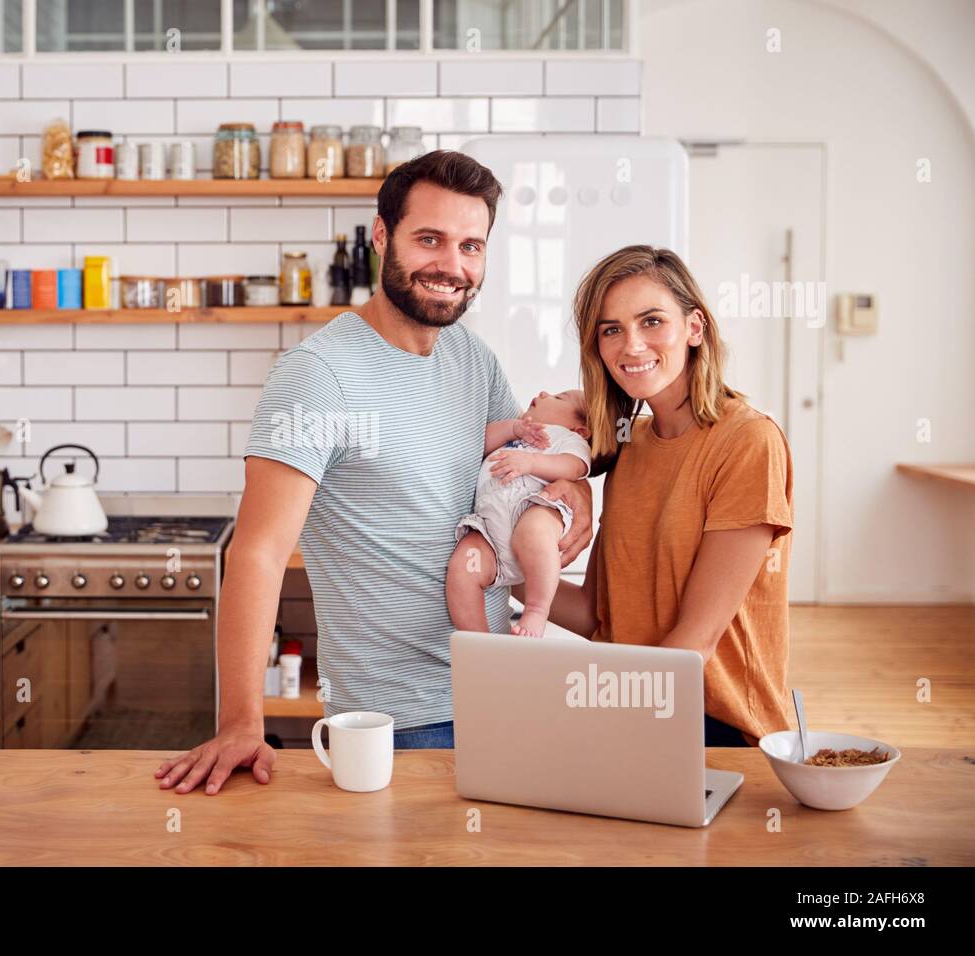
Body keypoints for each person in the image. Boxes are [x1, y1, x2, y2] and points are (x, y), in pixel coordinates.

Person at [155, 151, 594, 794]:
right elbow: (257, 553)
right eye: (430, 240)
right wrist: (241, 721)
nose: (452, 266)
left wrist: (574, 490)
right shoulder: (317, 374)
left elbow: (510, 478)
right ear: (382, 237)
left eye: (471, 245)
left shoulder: (474, 359)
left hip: (504, 699)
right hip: (398, 726)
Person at [547, 245, 793, 747]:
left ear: (695, 329)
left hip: (717, 726)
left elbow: (695, 643)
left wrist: (597, 716)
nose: (631, 346)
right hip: (636, 704)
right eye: (611, 329)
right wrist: (499, 564)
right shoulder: (631, 445)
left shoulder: (749, 441)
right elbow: (593, 613)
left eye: (652, 321)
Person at [447, 389, 591, 637]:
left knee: (534, 532)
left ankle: (536, 610)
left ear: (579, 429)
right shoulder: (516, 430)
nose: (544, 392)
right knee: (463, 567)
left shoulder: (566, 438)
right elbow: (475, 445)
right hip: (490, 531)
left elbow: (575, 466)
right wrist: (513, 429)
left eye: (558, 398)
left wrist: (532, 463)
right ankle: (479, 640)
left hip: (534, 506)